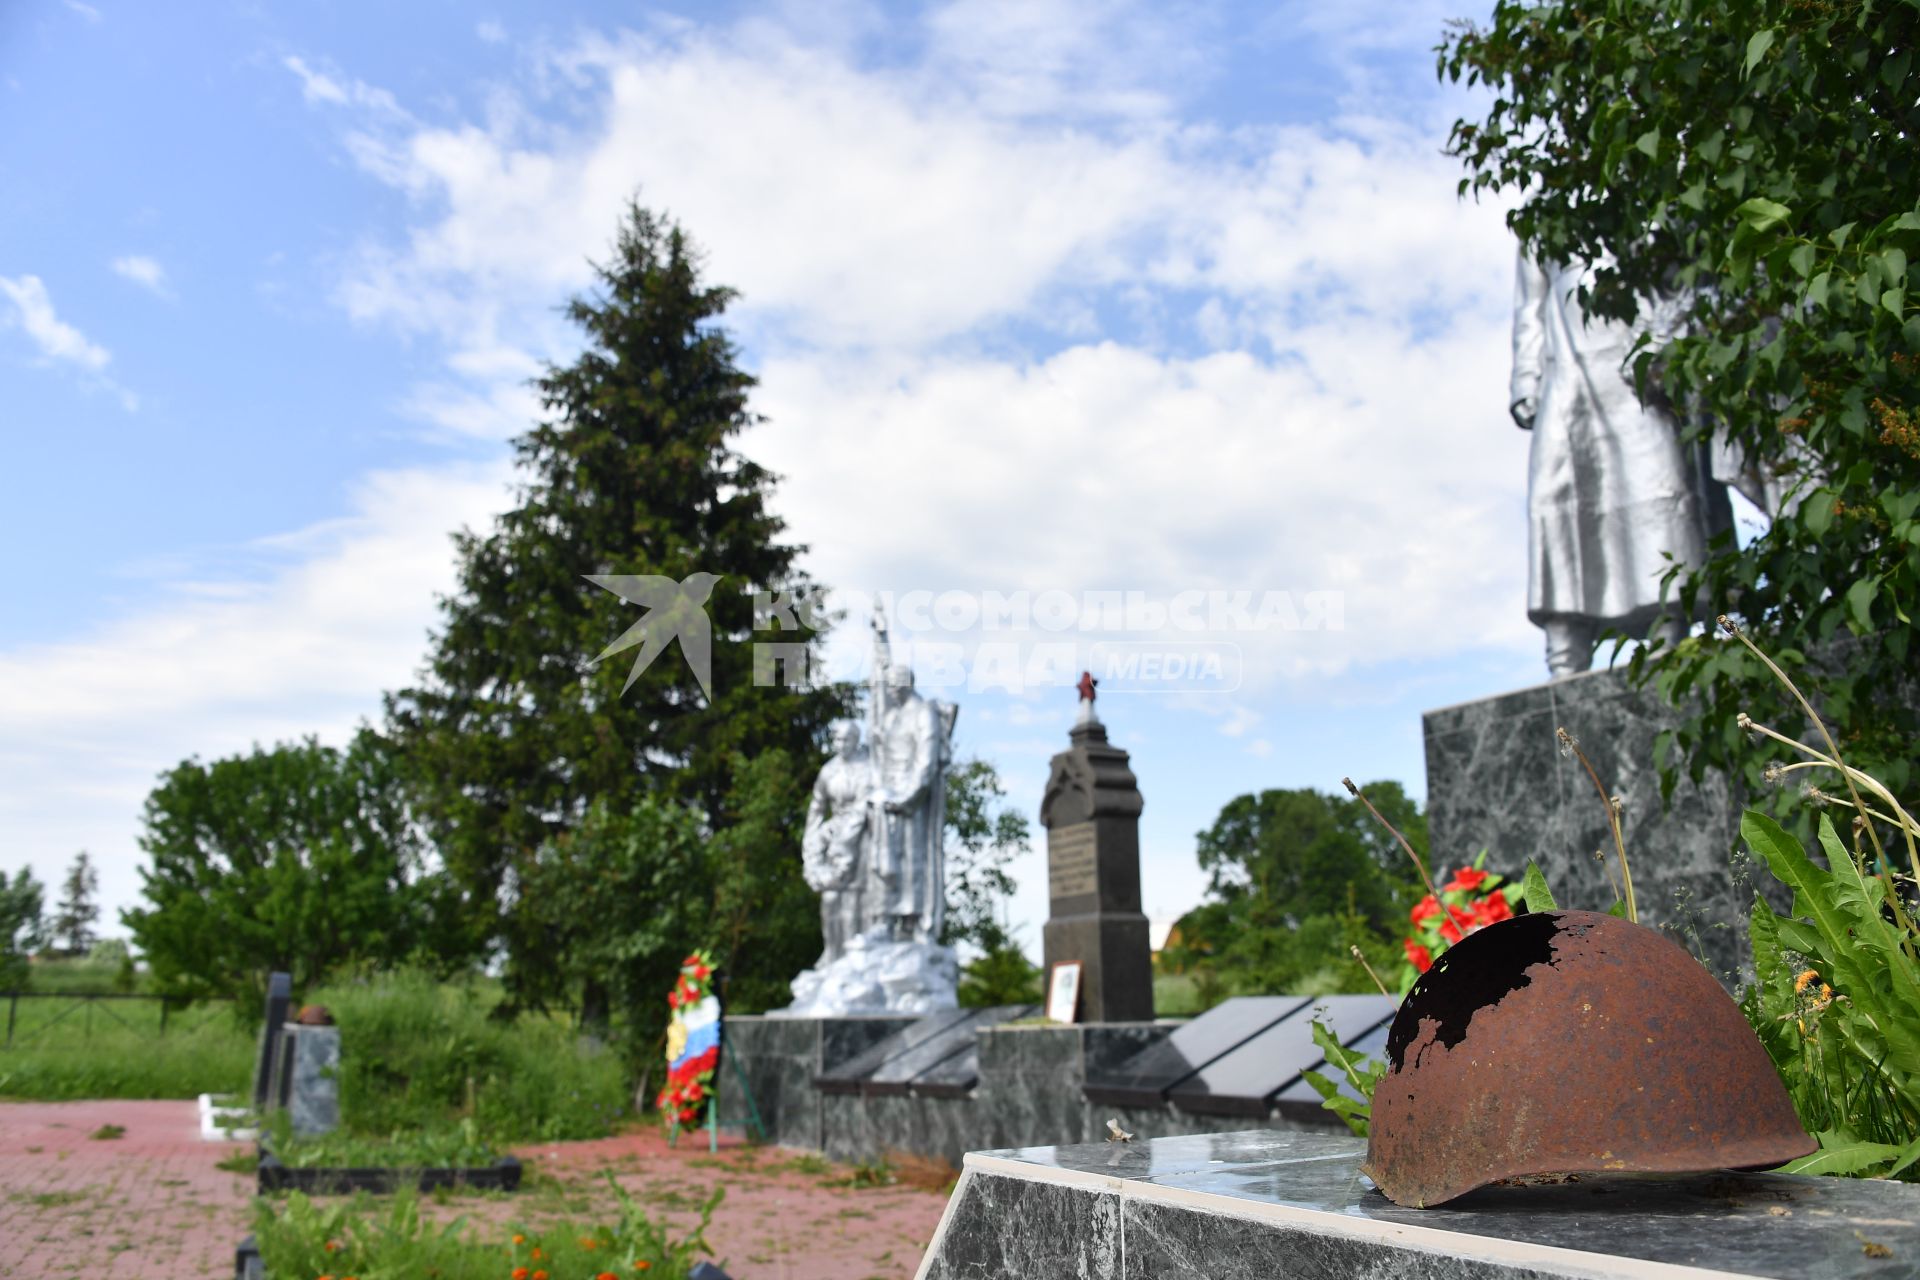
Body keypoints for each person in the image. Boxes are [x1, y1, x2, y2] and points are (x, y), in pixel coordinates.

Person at [1510, 249, 1731, 677]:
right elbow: (1529, 307)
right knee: (1559, 500)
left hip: (1640, 361)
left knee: (1659, 486)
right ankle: (1564, 654)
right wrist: (1524, 377)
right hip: (1568, 371)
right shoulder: (1541, 218)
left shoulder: (1645, 188)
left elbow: (1687, 273)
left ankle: (1672, 635)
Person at [801, 721, 871, 964]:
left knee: (853, 897)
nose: (841, 745)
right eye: (837, 740)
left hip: (861, 837)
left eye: (846, 740)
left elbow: (863, 807)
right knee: (830, 898)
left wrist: (843, 839)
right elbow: (817, 808)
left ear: (856, 740)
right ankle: (832, 950)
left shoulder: (867, 768)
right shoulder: (828, 771)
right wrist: (812, 843)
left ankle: (853, 953)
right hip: (834, 836)